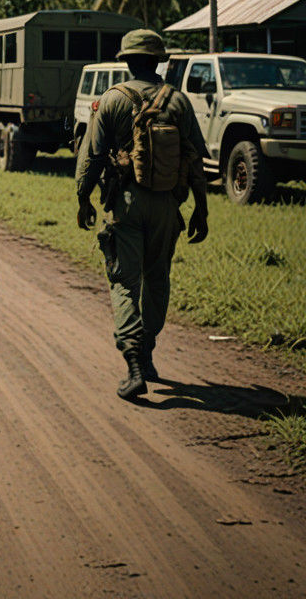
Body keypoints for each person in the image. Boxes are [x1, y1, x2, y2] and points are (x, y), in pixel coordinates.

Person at [74, 28, 209, 401]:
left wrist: (84, 198)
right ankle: (147, 348)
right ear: (158, 61)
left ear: (127, 60)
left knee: (123, 281)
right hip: (167, 204)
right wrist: (201, 209)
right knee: (157, 277)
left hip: (125, 205)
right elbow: (195, 158)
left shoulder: (112, 99)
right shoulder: (179, 101)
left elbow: (93, 157)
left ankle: (133, 361)